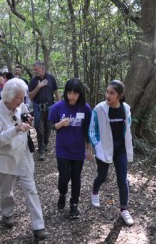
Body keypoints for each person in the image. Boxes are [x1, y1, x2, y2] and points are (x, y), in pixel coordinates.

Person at [0, 78, 49, 241]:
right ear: (8, 96)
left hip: (23, 154)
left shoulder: (21, 105)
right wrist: (15, 129)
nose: (22, 101)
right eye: (19, 98)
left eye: (23, 98)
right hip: (5, 157)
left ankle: (39, 226)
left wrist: (27, 119)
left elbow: (24, 115)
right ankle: (7, 214)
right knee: (7, 191)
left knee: (31, 189)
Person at [88, 80, 134, 226]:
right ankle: (95, 192)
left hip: (120, 150)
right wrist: (97, 146)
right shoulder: (99, 109)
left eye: (111, 93)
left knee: (122, 180)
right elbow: (92, 130)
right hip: (104, 148)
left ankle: (124, 209)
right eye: (107, 92)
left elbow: (128, 125)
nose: (107, 95)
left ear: (120, 96)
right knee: (102, 176)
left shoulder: (125, 108)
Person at [48, 78, 92, 219]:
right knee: (64, 176)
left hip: (78, 149)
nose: (71, 96)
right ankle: (62, 193)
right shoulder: (58, 107)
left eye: (75, 93)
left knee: (76, 178)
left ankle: (74, 205)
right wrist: (60, 124)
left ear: (80, 94)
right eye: (69, 93)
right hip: (63, 149)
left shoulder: (85, 108)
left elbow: (87, 130)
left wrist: (89, 149)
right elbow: (50, 125)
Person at [28, 60, 61, 160]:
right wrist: (38, 87)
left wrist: (59, 105)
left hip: (50, 107)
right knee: (39, 129)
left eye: (36, 69)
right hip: (38, 107)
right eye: (34, 70)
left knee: (48, 128)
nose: (35, 71)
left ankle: (45, 143)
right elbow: (30, 96)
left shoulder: (51, 78)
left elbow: (56, 92)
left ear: (42, 68)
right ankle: (41, 150)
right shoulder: (34, 81)